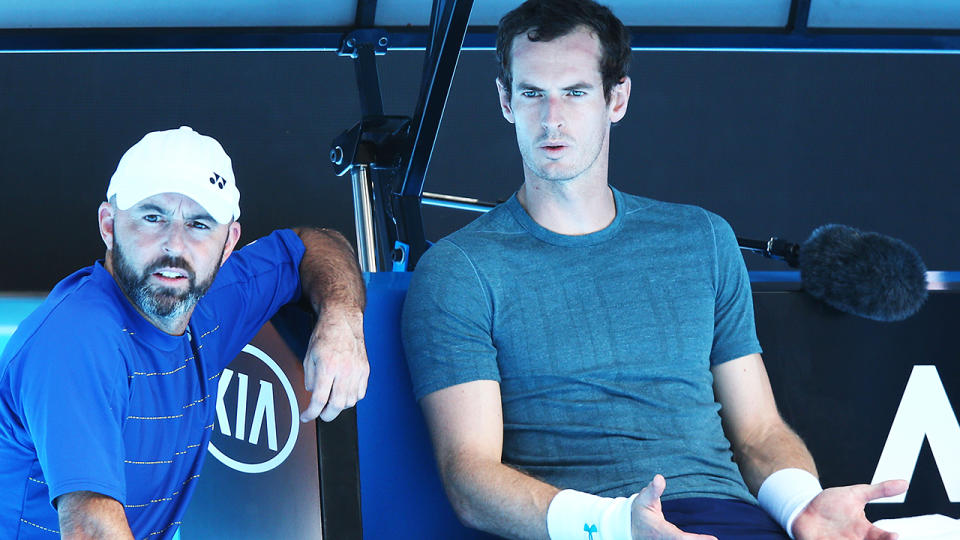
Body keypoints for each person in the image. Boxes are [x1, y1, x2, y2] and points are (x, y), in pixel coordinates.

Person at [401, 1, 907, 539]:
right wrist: (620, 526)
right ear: (506, 101)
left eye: (574, 92)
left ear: (616, 98)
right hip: (596, 528)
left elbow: (758, 431)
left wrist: (801, 506)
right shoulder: (460, 269)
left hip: (732, 519)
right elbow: (471, 479)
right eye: (532, 93)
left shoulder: (701, 238)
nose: (552, 117)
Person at [0, 126, 369, 539]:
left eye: (199, 223)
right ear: (109, 225)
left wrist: (342, 317)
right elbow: (91, 528)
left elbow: (317, 244)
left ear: (228, 242)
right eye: (152, 217)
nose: (174, 245)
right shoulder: (77, 338)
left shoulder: (207, 302)